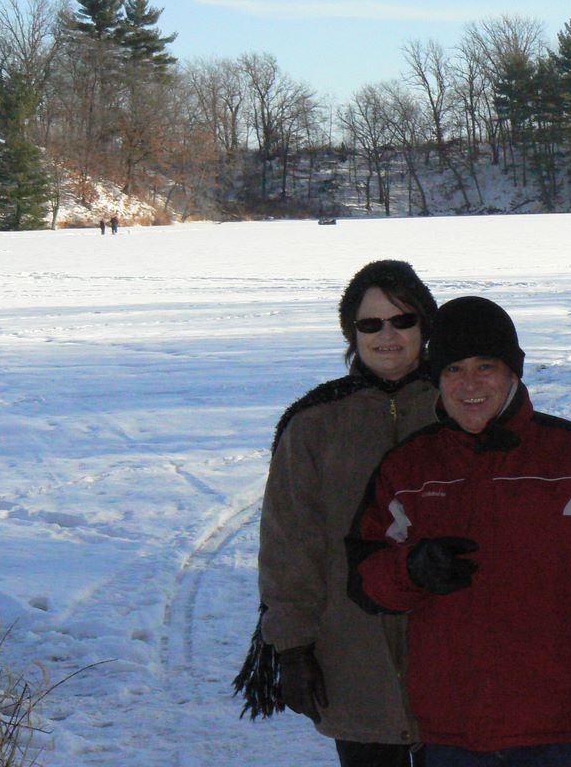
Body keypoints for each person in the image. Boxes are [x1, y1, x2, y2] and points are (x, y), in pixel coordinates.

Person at [347, 296, 571, 767]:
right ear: (437, 380)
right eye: (454, 369)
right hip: (451, 729)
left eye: (486, 366)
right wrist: (412, 571)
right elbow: (364, 579)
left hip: (558, 727)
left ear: (513, 373)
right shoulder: (409, 468)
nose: (470, 384)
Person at [242, 260, 439, 767]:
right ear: (352, 334)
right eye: (370, 324)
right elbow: (289, 545)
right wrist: (291, 649)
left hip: (454, 648)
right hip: (352, 652)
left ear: (426, 325)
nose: (387, 336)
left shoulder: (462, 406)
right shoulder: (314, 423)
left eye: (403, 320)